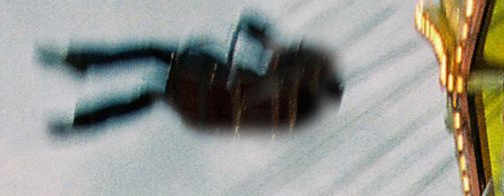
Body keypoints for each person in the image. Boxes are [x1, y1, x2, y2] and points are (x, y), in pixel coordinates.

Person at [43, 18, 344, 134]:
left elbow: (269, 62)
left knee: (151, 78)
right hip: (216, 82)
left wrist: (263, 39)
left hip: (215, 85)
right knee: (152, 74)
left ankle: (82, 75)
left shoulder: (289, 93)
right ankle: (82, 70)